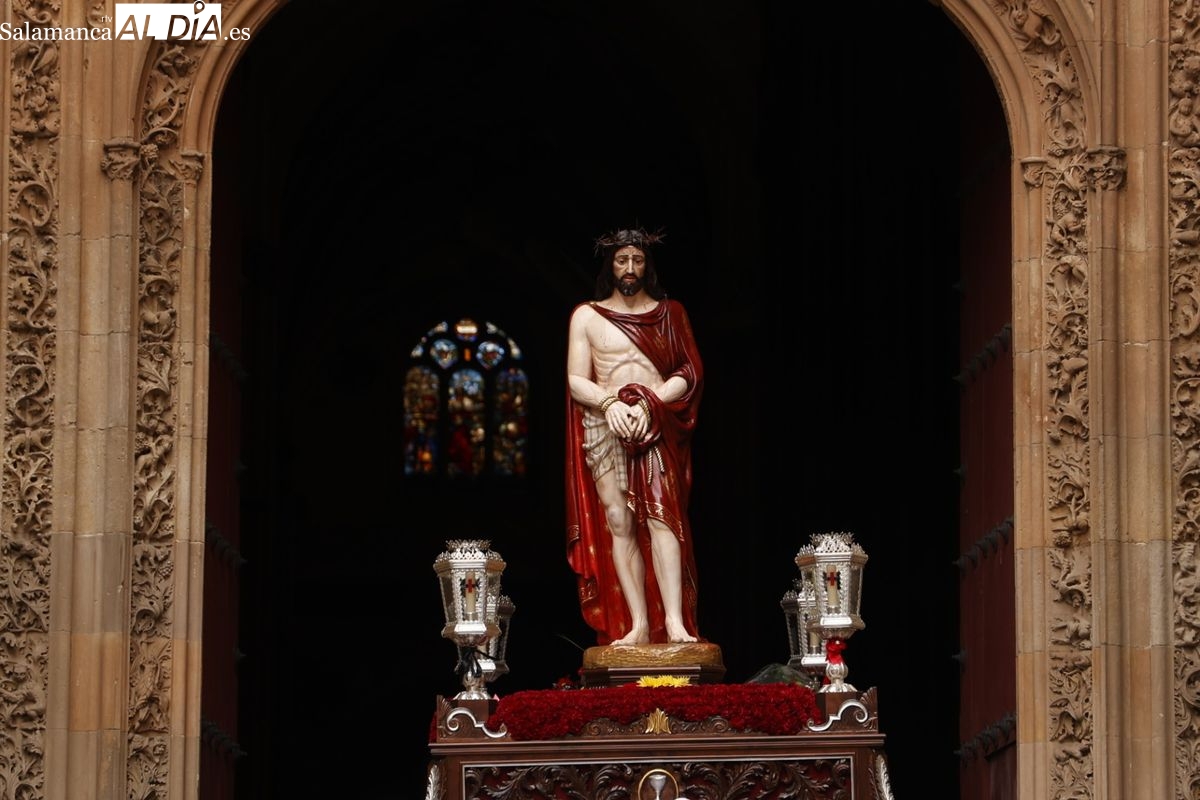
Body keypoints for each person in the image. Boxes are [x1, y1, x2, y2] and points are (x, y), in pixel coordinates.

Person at [565, 227, 704, 646]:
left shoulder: (669, 313)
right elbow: (576, 379)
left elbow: (689, 371)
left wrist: (650, 404)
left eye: (638, 260)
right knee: (618, 520)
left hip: (652, 423)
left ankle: (675, 623)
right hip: (606, 424)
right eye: (622, 260)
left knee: (663, 517)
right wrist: (609, 403)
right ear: (610, 266)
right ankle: (638, 624)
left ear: (648, 266)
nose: (630, 268)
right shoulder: (587, 315)